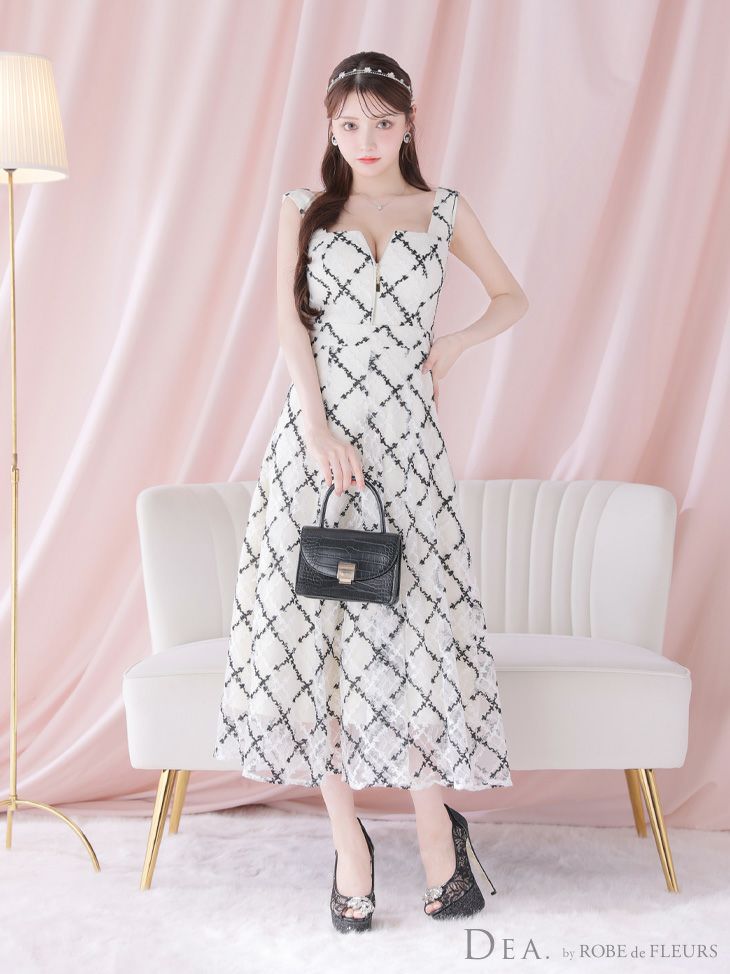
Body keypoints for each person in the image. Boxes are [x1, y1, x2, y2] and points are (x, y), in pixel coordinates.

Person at [213, 51, 529, 931]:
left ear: (409, 124)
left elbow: (512, 297)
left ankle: (435, 833)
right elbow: (288, 319)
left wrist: (455, 344)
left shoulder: (443, 208)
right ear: (329, 127)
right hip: (316, 445)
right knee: (315, 637)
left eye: (382, 123)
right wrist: (316, 429)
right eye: (349, 124)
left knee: (415, 629)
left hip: (409, 446)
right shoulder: (303, 208)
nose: (366, 139)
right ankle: (348, 842)